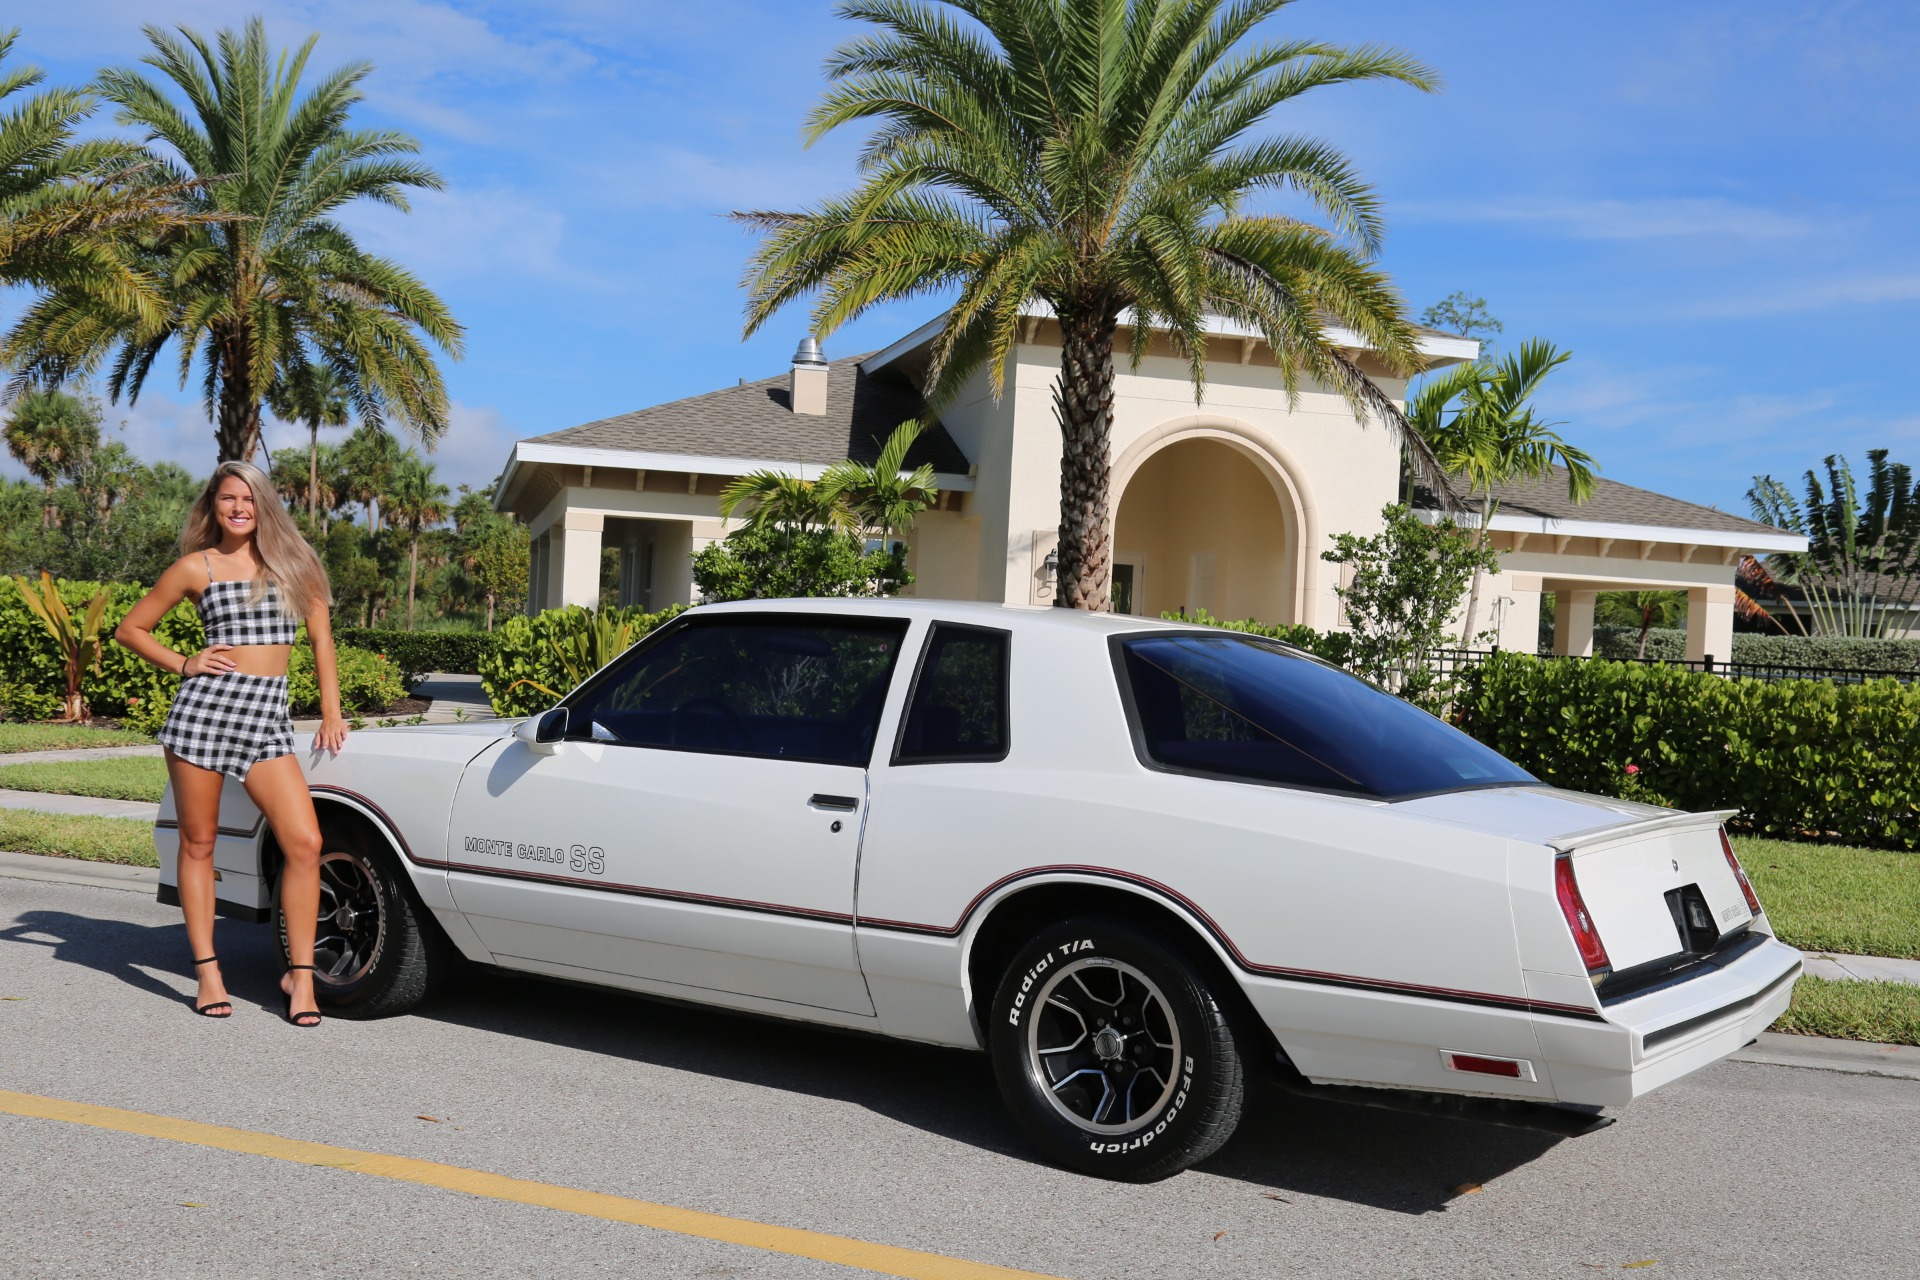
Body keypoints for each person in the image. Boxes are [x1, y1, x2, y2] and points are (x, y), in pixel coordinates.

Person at [115, 461, 347, 1026]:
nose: (238, 507)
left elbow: (321, 640)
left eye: (248, 497)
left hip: (266, 719)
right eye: (227, 499)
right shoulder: (197, 567)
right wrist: (184, 662)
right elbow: (130, 628)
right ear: (212, 505)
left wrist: (331, 710)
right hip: (204, 715)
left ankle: (300, 973)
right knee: (198, 845)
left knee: (304, 842)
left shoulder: (296, 564)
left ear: (263, 503)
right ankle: (208, 971)